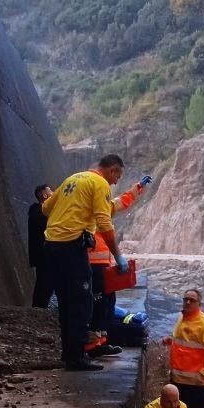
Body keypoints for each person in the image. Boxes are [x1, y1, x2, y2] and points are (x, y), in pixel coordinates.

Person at [42, 154, 129, 371]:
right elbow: (104, 220)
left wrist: (67, 214)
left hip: (51, 246)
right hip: (72, 247)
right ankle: (77, 358)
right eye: (117, 175)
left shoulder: (73, 178)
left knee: (65, 302)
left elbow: (46, 208)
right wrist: (117, 255)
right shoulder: (99, 183)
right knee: (82, 302)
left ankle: (69, 353)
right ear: (112, 170)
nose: (116, 181)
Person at [88, 173, 152, 358]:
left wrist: (138, 187)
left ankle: (101, 341)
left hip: (103, 265)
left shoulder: (104, 208)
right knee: (97, 305)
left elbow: (122, 201)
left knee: (107, 304)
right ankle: (92, 345)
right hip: (91, 265)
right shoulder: (86, 213)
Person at [163, 288, 204, 408]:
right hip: (178, 382)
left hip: (196, 385)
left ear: (199, 304)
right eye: (186, 299)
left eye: (192, 300)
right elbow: (186, 343)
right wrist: (170, 341)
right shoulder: (182, 318)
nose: (188, 302)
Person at [27, 184, 54, 308]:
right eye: (50, 191)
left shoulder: (42, 211)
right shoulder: (37, 210)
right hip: (43, 255)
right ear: (44, 195)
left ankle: (40, 309)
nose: (53, 193)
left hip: (46, 254)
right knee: (44, 283)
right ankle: (38, 309)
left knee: (47, 284)